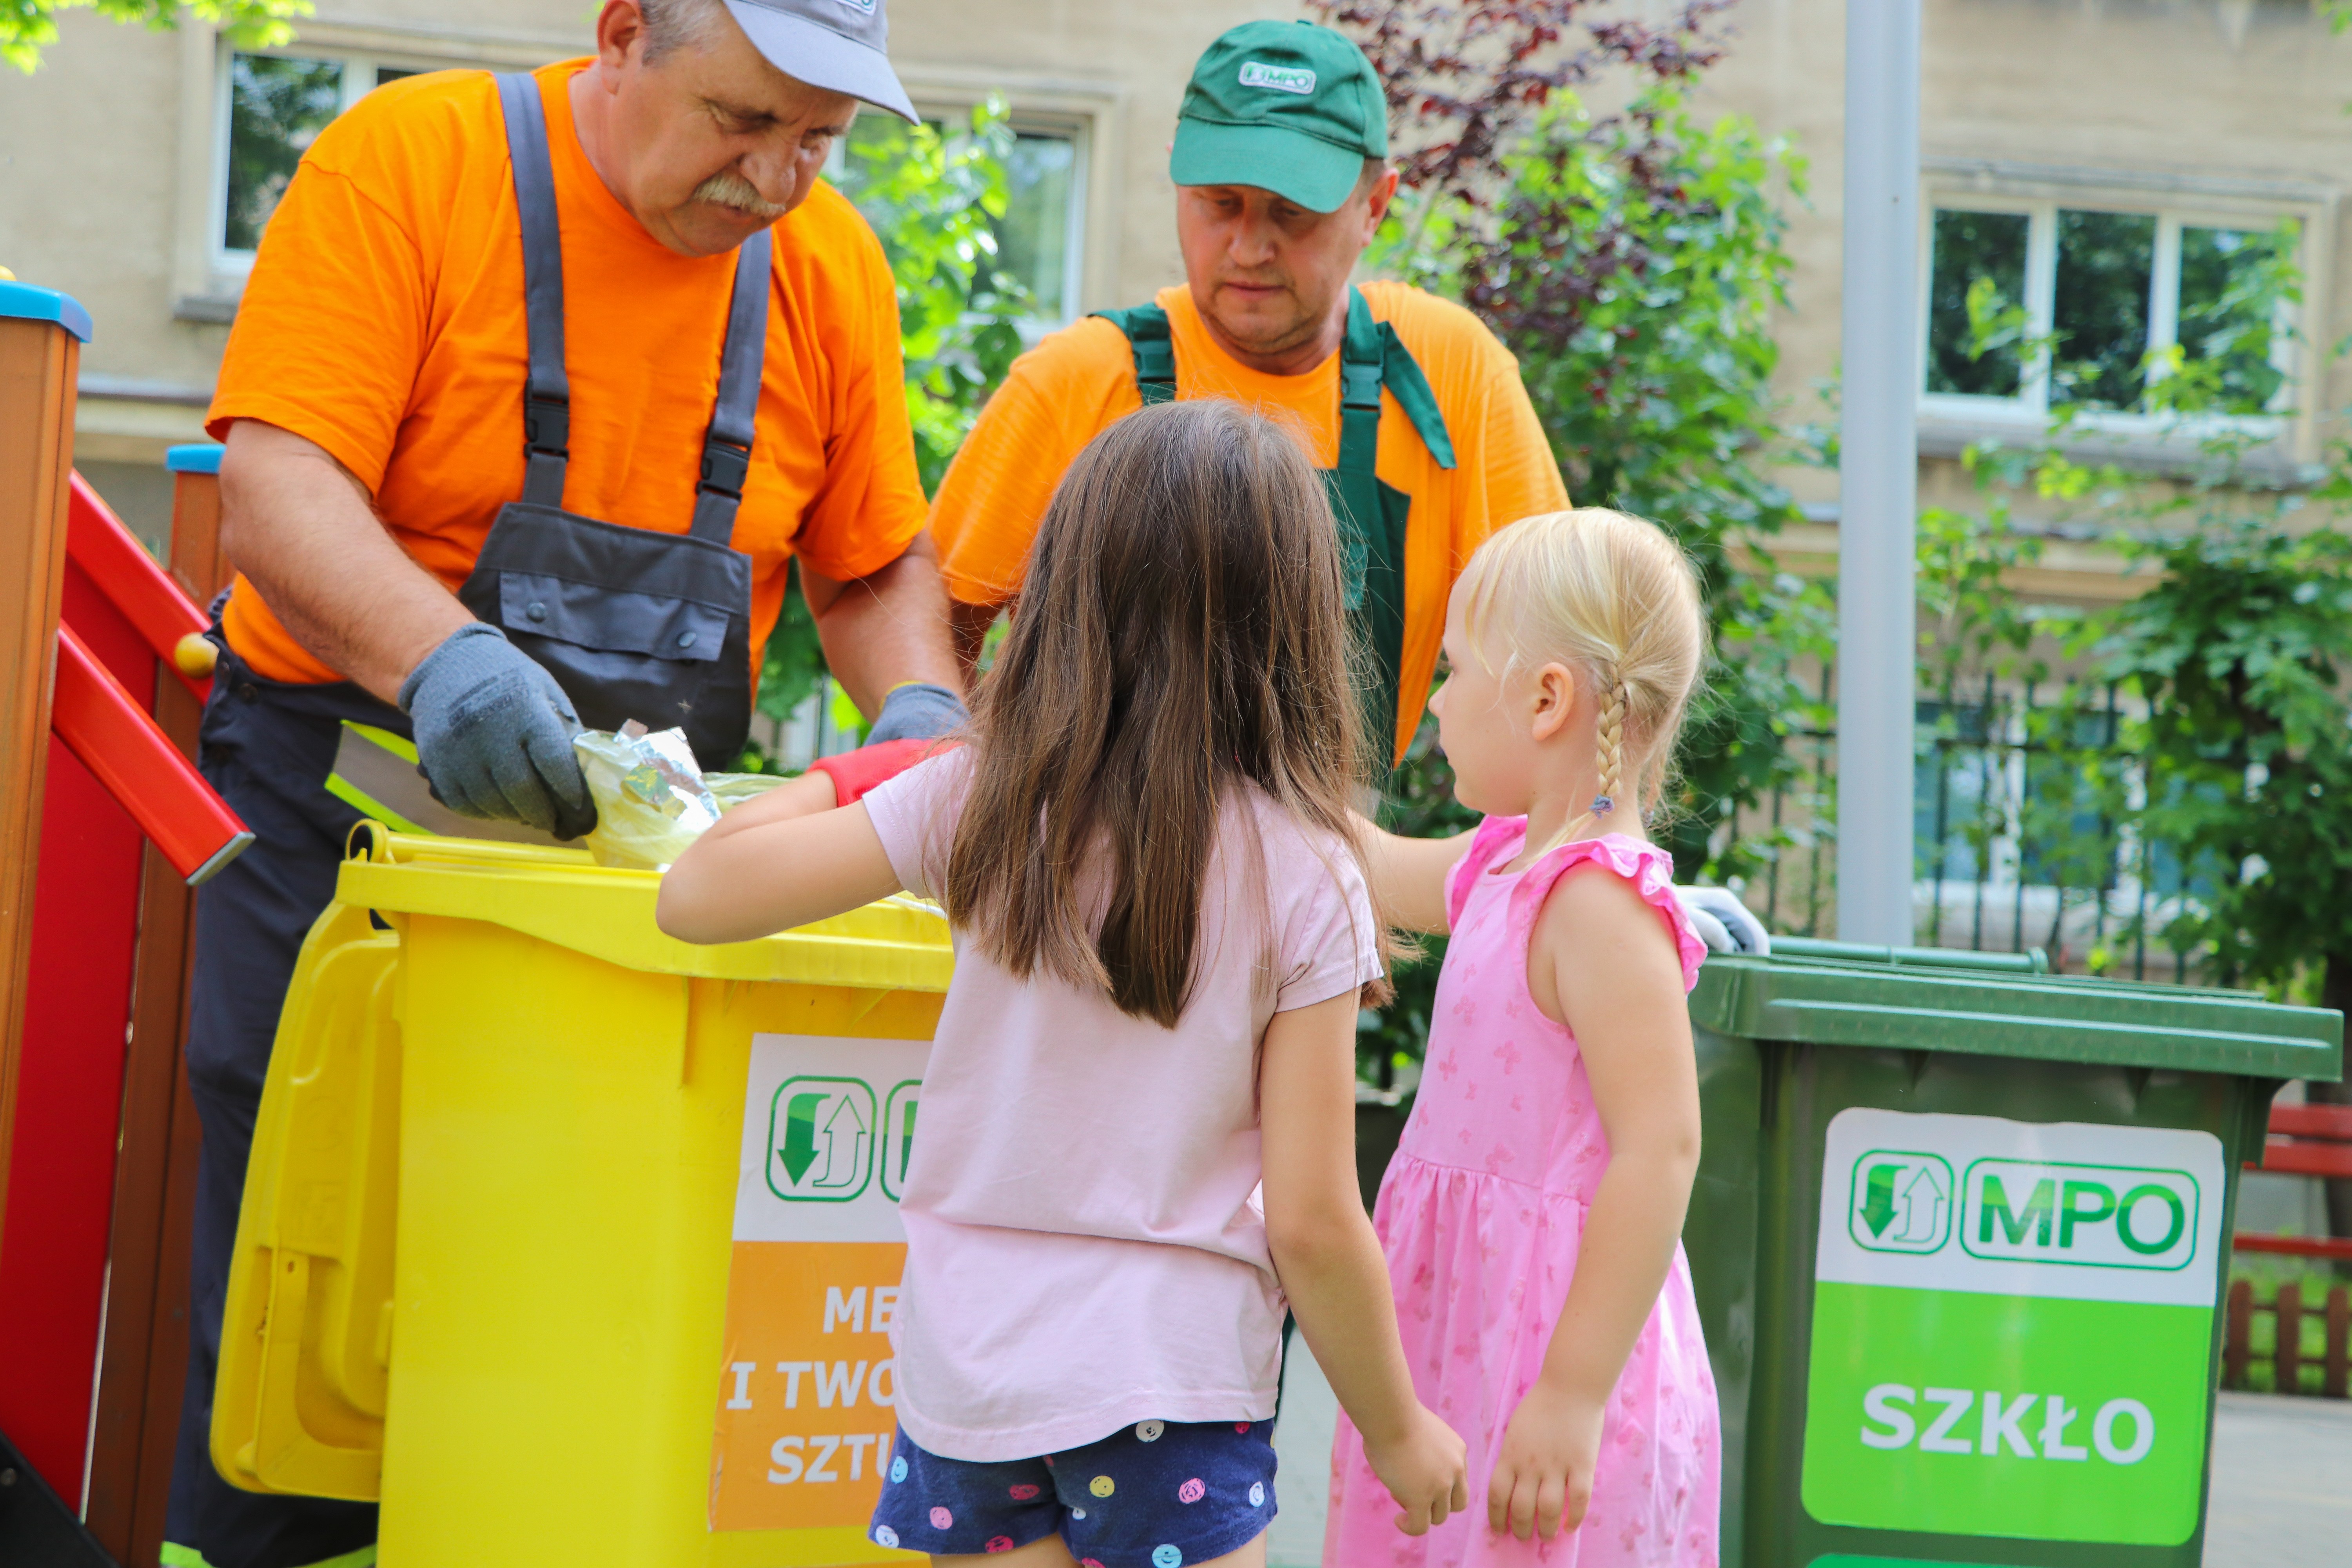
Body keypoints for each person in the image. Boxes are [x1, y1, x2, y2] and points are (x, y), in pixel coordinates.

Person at [172, 2, 965, 1563]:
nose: (780, 177)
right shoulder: (416, 162)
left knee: (602, 1313)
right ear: (619, 34)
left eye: (821, 138)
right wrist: (438, 655)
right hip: (349, 862)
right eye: (746, 120)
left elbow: (870, 564)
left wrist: (927, 714)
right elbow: (278, 479)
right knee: (323, 1292)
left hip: (638, 920)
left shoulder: (828, 271)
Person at [659, 400, 1470, 1568]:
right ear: (1293, 620)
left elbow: (694, 897)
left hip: (970, 1379)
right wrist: (1395, 1431)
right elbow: (1312, 1217)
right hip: (1172, 1378)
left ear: (1068, 593)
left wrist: (866, 777)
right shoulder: (1309, 871)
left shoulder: (975, 802)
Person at [927, 18, 1570, 769]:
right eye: (1220, 203)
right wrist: (976, 805)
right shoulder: (1078, 380)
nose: (1250, 247)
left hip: (1338, 857)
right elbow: (934, 627)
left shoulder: (1454, 373)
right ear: (1177, 178)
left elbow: (1558, 644)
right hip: (1086, 863)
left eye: (1291, 213)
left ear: (1377, 205)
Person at [1330, 509, 1722, 1566]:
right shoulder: (1501, 863)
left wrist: (1572, 1392)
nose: (1440, 706)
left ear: (1548, 700)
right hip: (1467, 1319)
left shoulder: (1597, 902)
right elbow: (1365, 862)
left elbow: (1662, 1148)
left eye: (1455, 675)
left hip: (1546, 1344)